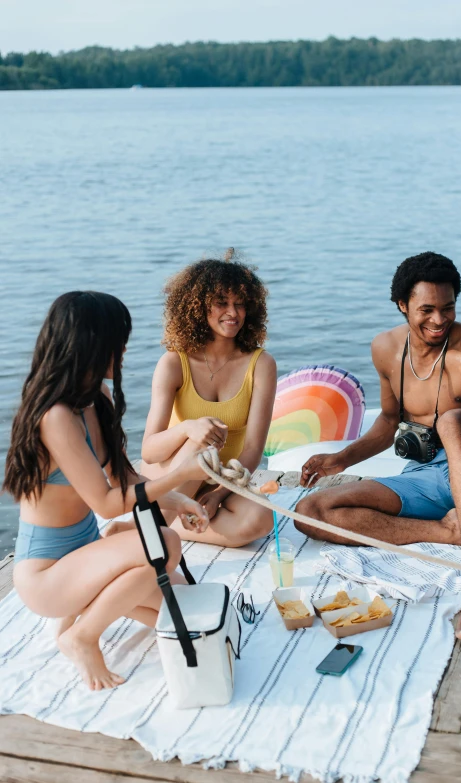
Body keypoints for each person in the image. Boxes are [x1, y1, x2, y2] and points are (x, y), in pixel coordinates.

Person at [297, 252, 461, 643]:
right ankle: (450, 531)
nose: (439, 320)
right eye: (427, 310)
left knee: (452, 419)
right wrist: (341, 458)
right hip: (423, 477)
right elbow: (387, 421)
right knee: (310, 511)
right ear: (402, 305)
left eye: (448, 308)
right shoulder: (385, 348)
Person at [3, 291, 208, 691]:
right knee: (164, 545)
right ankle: (81, 636)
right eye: (119, 338)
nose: (125, 348)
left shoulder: (96, 399)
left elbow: (126, 479)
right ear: (91, 343)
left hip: (82, 553)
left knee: (177, 609)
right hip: (46, 577)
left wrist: (180, 497)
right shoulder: (56, 417)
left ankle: (79, 616)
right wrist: (185, 470)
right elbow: (109, 503)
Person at [139, 250, 277, 547]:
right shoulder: (174, 363)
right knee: (202, 443)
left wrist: (218, 495)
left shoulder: (261, 364)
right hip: (171, 471)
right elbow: (149, 451)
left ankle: (164, 526)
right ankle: (143, 538)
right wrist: (189, 428)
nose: (233, 313)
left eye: (240, 304)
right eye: (221, 303)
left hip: (223, 477)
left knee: (260, 520)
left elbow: (253, 449)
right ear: (198, 307)